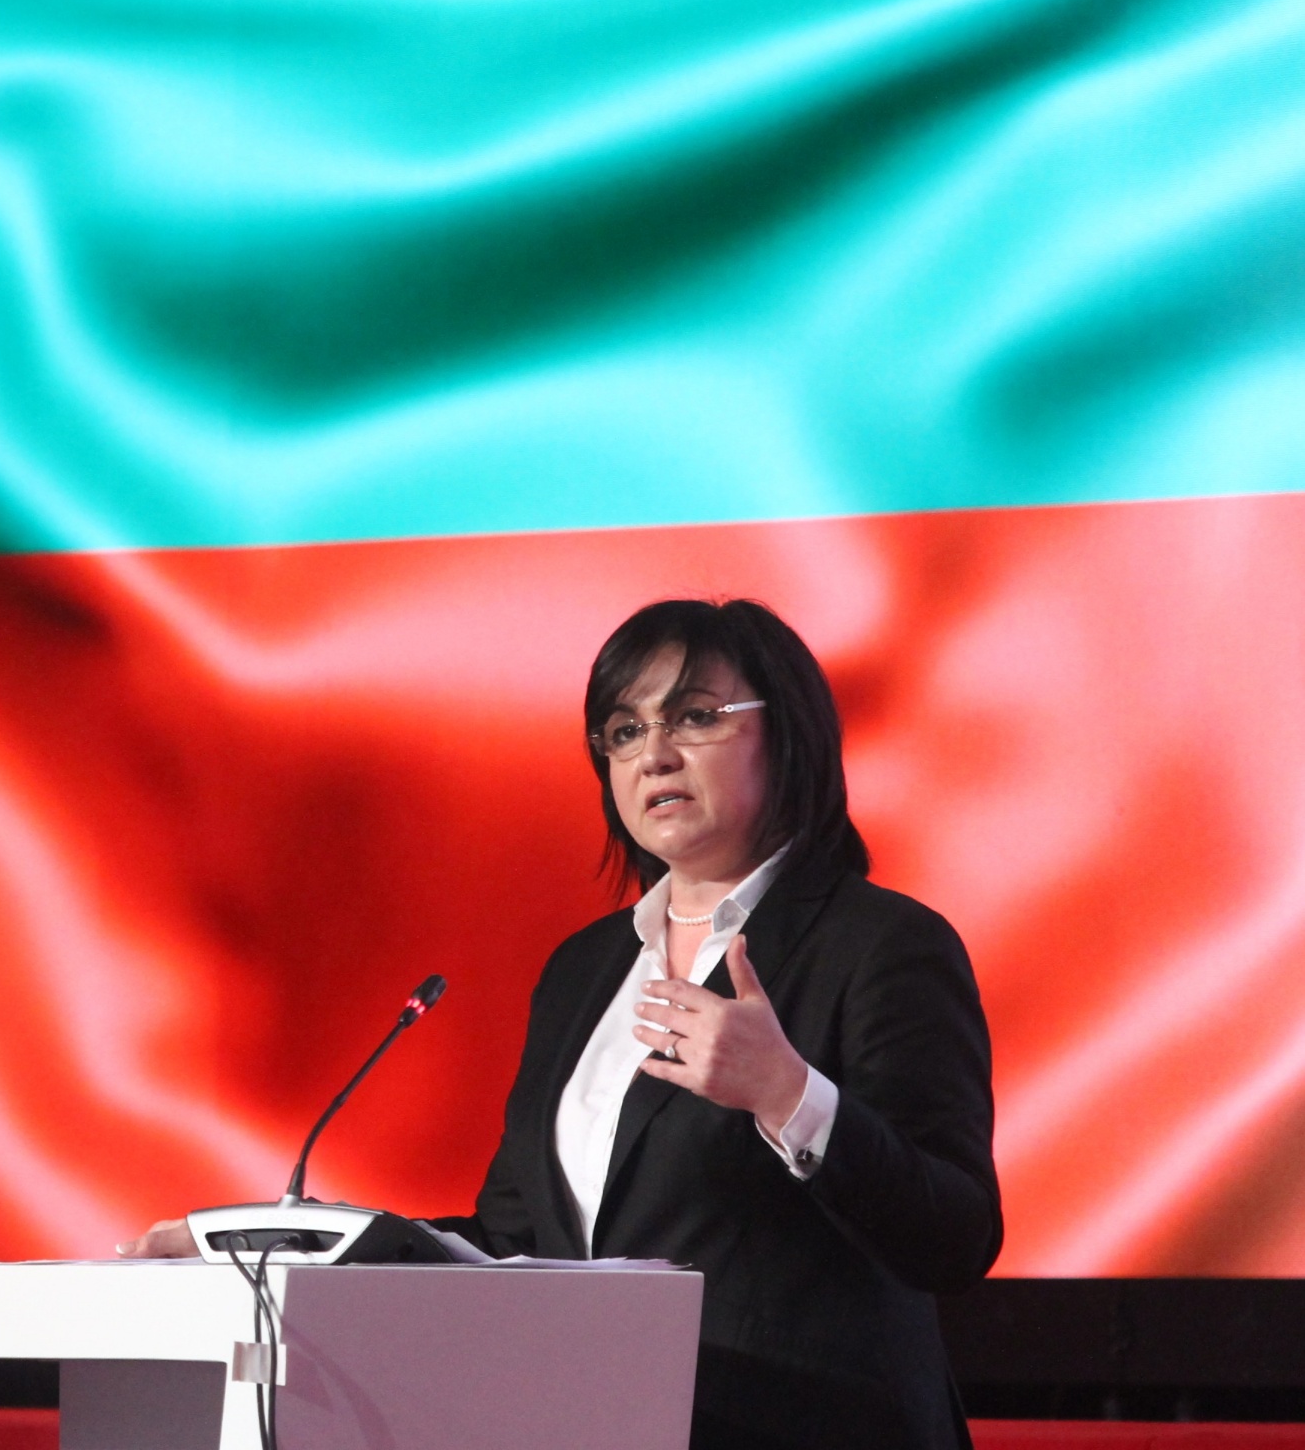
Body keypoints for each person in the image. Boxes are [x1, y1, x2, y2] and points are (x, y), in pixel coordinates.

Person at [122, 598, 1001, 1450]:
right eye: (623, 731)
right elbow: (519, 1247)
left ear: (791, 733)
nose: (653, 755)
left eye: (695, 717)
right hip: (603, 1425)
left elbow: (955, 1238)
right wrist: (312, 1249)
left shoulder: (882, 946)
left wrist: (788, 1094)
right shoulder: (585, 970)